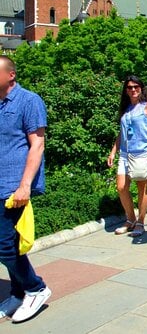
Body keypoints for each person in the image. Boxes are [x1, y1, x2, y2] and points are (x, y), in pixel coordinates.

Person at [0, 55, 51, 322]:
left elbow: (37, 145)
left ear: (11, 75)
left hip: (13, 186)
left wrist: (25, 186)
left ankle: (36, 288)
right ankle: (19, 292)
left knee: (6, 246)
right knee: (6, 244)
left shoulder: (29, 101)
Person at [107, 76, 147, 237]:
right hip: (125, 153)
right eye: (129, 87)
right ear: (126, 90)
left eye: (136, 86)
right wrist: (113, 151)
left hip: (142, 152)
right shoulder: (126, 108)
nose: (133, 89)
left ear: (141, 88)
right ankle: (130, 219)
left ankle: (141, 221)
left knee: (141, 188)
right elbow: (122, 132)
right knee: (121, 187)